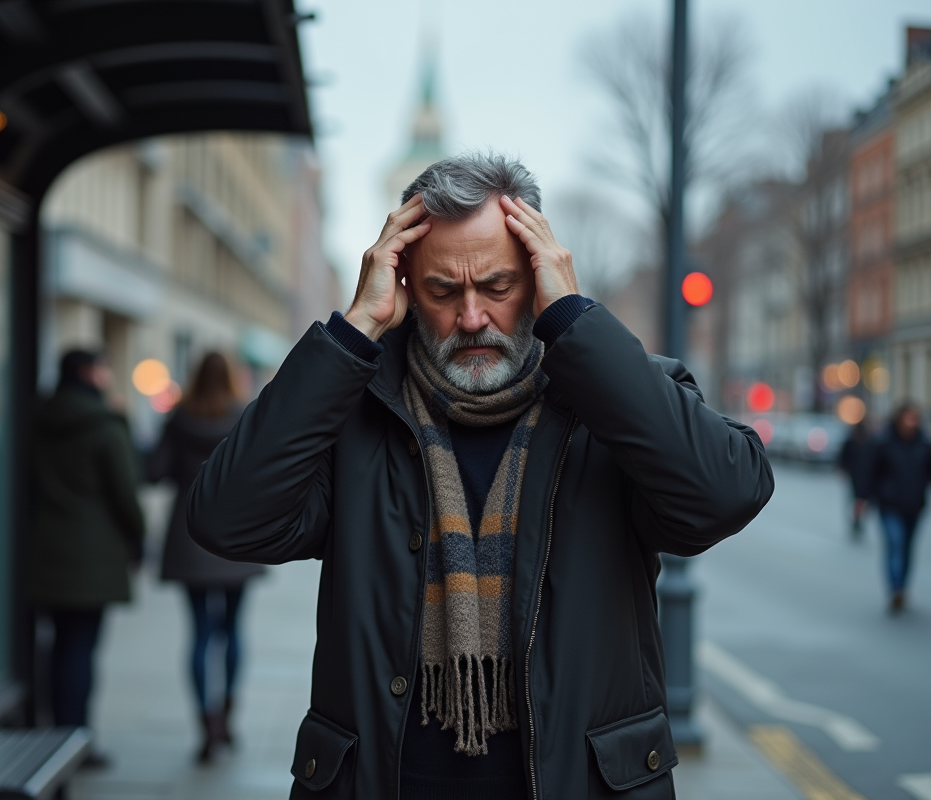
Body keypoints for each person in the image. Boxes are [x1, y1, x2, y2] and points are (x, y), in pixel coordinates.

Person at [187, 153, 774, 799]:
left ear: (538, 275)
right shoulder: (353, 410)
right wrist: (351, 332)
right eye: (442, 291)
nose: (471, 317)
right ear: (405, 287)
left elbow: (725, 494)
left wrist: (576, 321)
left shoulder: (619, 398)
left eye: (497, 286)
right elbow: (227, 518)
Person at [147, 352, 264, 762]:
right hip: (235, 535)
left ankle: (205, 722)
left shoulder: (178, 419)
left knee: (199, 633)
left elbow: (155, 471)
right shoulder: (244, 415)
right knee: (233, 630)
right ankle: (227, 715)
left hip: (189, 534)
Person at [29, 349, 145, 760]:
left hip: (43, 551)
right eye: (102, 367)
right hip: (92, 559)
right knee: (80, 649)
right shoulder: (105, 425)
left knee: (56, 645)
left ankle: (51, 730)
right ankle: (75, 739)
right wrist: (140, 537)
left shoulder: (37, 421)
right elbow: (126, 495)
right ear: (86, 372)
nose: (107, 375)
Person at [867, 402, 930, 613]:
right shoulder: (884, 442)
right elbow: (871, 471)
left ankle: (902, 587)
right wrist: (863, 498)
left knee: (907, 549)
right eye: (907, 418)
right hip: (890, 505)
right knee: (896, 544)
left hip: (914, 505)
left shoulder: (923, 443)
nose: (911, 423)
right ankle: (895, 589)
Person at [837, 420, 872, 540]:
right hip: (856, 475)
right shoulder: (853, 442)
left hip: (864, 476)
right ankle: (856, 520)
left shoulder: (869, 442)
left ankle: (858, 520)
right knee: (857, 501)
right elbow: (843, 457)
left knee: (860, 501)